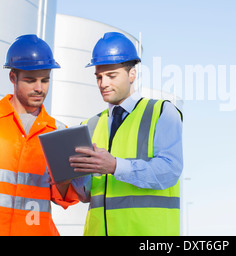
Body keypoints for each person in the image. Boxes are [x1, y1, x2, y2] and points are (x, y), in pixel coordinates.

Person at [70, 32, 183, 236]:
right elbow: (87, 194)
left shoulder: (161, 112)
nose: (103, 83)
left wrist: (115, 166)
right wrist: (67, 176)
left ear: (132, 74)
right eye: (99, 76)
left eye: (111, 76)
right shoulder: (89, 125)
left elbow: (170, 171)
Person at [0, 34, 79, 236]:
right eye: (31, 80)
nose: (39, 88)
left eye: (45, 80)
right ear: (12, 77)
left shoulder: (58, 131)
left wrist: (66, 177)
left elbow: (65, 198)